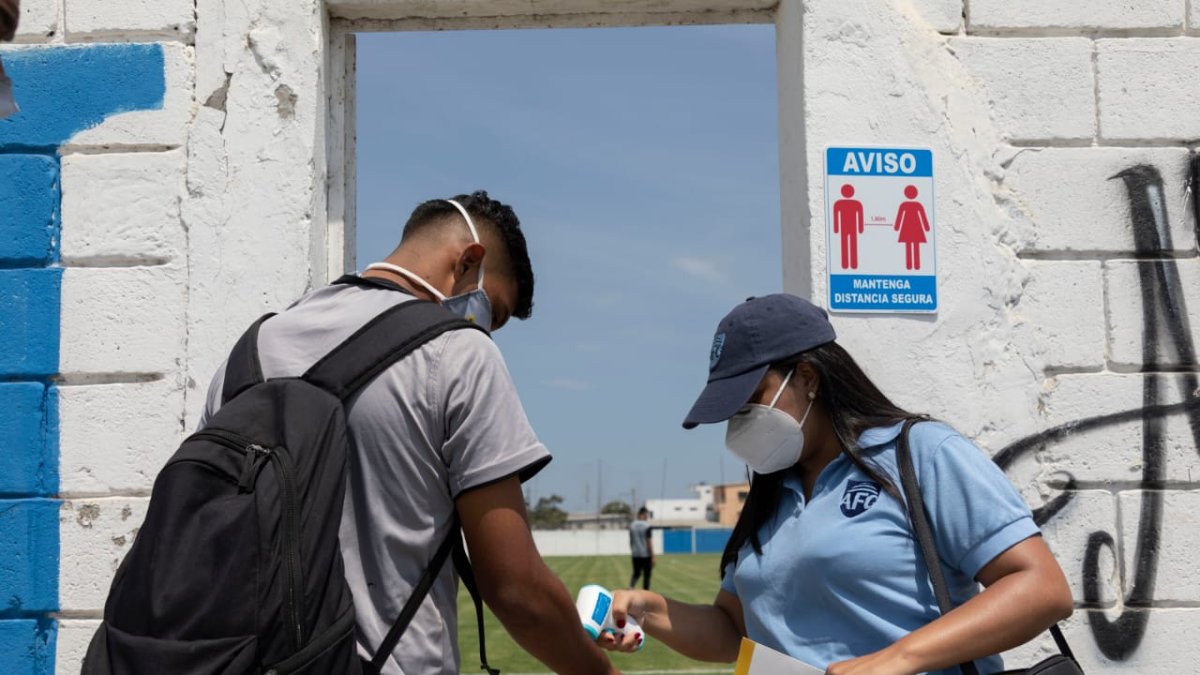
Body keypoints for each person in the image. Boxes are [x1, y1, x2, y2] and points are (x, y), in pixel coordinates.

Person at [199, 192, 617, 675]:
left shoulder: (251, 349)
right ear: (468, 261)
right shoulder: (458, 353)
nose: (485, 329)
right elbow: (516, 589)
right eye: (492, 313)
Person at [598, 294, 1073, 674]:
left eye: (750, 402)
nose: (740, 425)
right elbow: (733, 631)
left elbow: (1040, 588)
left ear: (807, 377)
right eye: (732, 414)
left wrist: (896, 659)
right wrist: (651, 610)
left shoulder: (921, 453)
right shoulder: (770, 492)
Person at [628, 507, 654, 590]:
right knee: (647, 574)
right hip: (645, 554)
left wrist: (633, 550)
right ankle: (646, 592)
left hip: (635, 554)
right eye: (646, 515)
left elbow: (631, 540)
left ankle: (631, 587)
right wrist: (652, 556)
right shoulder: (647, 526)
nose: (647, 516)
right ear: (643, 514)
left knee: (636, 573)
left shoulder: (632, 525)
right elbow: (648, 541)